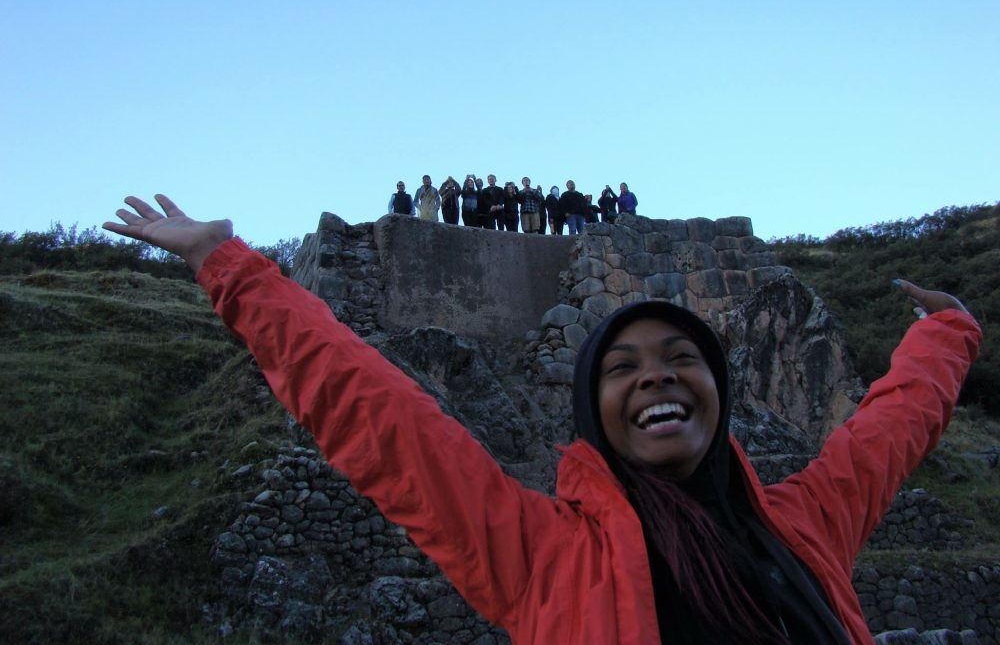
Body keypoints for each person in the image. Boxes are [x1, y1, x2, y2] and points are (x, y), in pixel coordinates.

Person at [104, 194, 981, 645]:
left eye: (681, 360)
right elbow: (378, 416)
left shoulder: (806, 527)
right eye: (622, 367)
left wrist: (947, 333)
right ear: (592, 413)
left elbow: (889, 431)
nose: (656, 379)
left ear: (717, 390)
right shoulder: (541, 557)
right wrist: (231, 267)